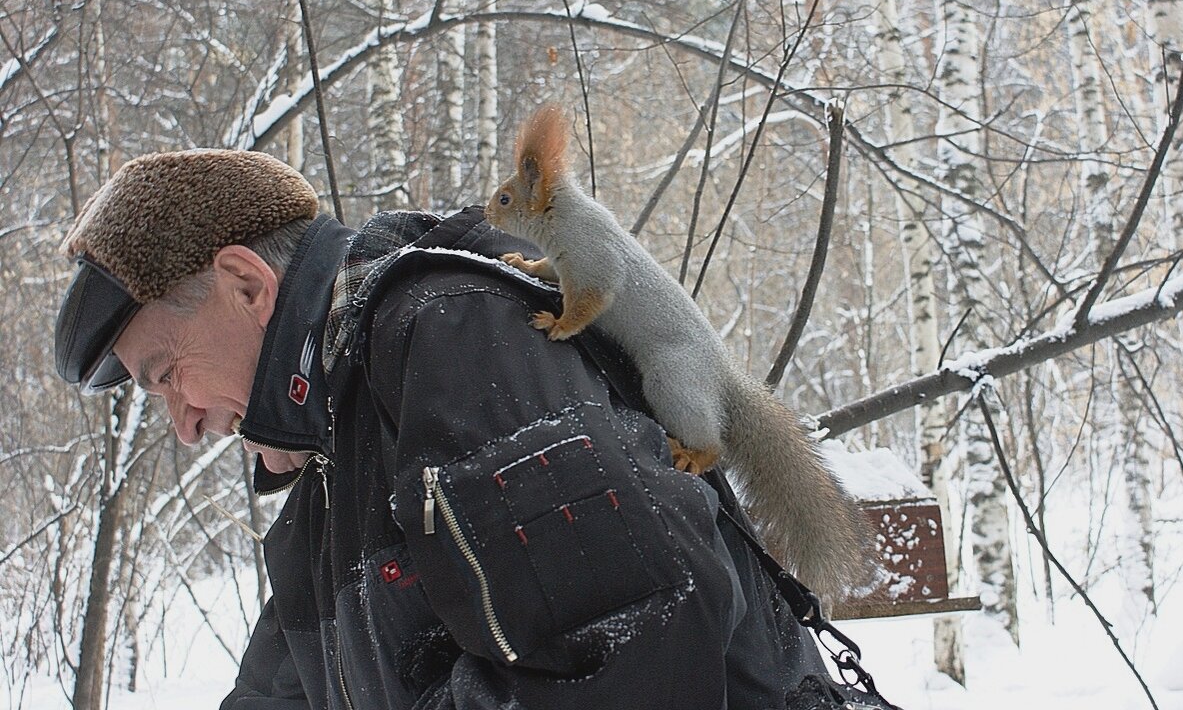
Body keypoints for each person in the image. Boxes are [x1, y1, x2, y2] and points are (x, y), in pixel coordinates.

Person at [55, 149, 831, 710]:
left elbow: (635, 650)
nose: (183, 424)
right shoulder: (332, 471)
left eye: (165, 373)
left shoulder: (452, 338)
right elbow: (280, 691)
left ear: (246, 286)